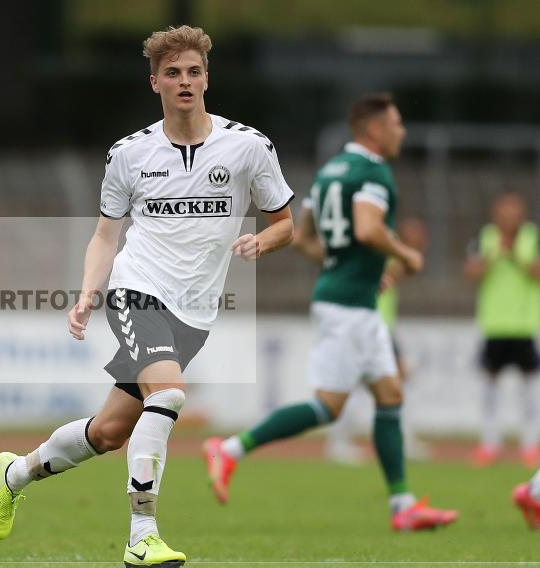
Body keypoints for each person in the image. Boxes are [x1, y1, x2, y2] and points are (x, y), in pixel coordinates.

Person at [0, 25, 295, 568]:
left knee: (108, 433)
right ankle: (142, 534)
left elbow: (286, 224)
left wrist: (261, 240)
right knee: (171, 394)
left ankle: (14, 473)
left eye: (194, 72)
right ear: (154, 81)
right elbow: (107, 234)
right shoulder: (129, 154)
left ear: (207, 78)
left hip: (195, 314)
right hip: (136, 291)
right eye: (173, 73)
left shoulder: (249, 146)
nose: (185, 82)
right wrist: (88, 292)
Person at [203, 93, 458, 531]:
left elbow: (303, 239)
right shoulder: (374, 172)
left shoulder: (331, 172)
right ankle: (229, 450)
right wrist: (406, 255)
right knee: (327, 408)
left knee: (390, 394)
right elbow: (367, 227)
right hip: (349, 310)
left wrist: (345, 265)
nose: (401, 131)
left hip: (349, 300)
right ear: (374, 130)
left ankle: (403, 506)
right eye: (395, 124)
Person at [323, 218, 432, 464]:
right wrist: (408, 251)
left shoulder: (383, 254)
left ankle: (342, 441)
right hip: (371, 324)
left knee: (375, 383)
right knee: (377, 382)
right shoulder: (376, 256)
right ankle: (345, 441)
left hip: (377, 325)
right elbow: (389, 276)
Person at [463, 191, 540, 468]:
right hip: (493, 324)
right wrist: (496, 254)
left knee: (530, 389)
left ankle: (530, 445)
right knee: (489, 387)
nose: (509, 218)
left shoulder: (533, 237)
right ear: (496, 215)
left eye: (514, 213)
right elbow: (472, 273)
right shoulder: (484, 238)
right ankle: (489, 443)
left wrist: (516, 255)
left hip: (524, 325)